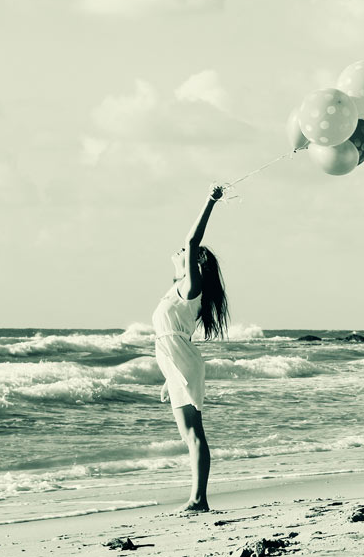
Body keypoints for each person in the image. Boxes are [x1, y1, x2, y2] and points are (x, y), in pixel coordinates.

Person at [153, 184, 230, 513]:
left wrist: (210, 201)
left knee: (193, 433)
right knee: (190, 434)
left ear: (194, 263)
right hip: (177, 364)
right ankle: (199, 498)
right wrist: (168, 377)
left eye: (183, 253)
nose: (179, 251)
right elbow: (171, 336)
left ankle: (199, 499)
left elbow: (190, 241)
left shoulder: (191, 286)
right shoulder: (178, 290)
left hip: (182, 363)